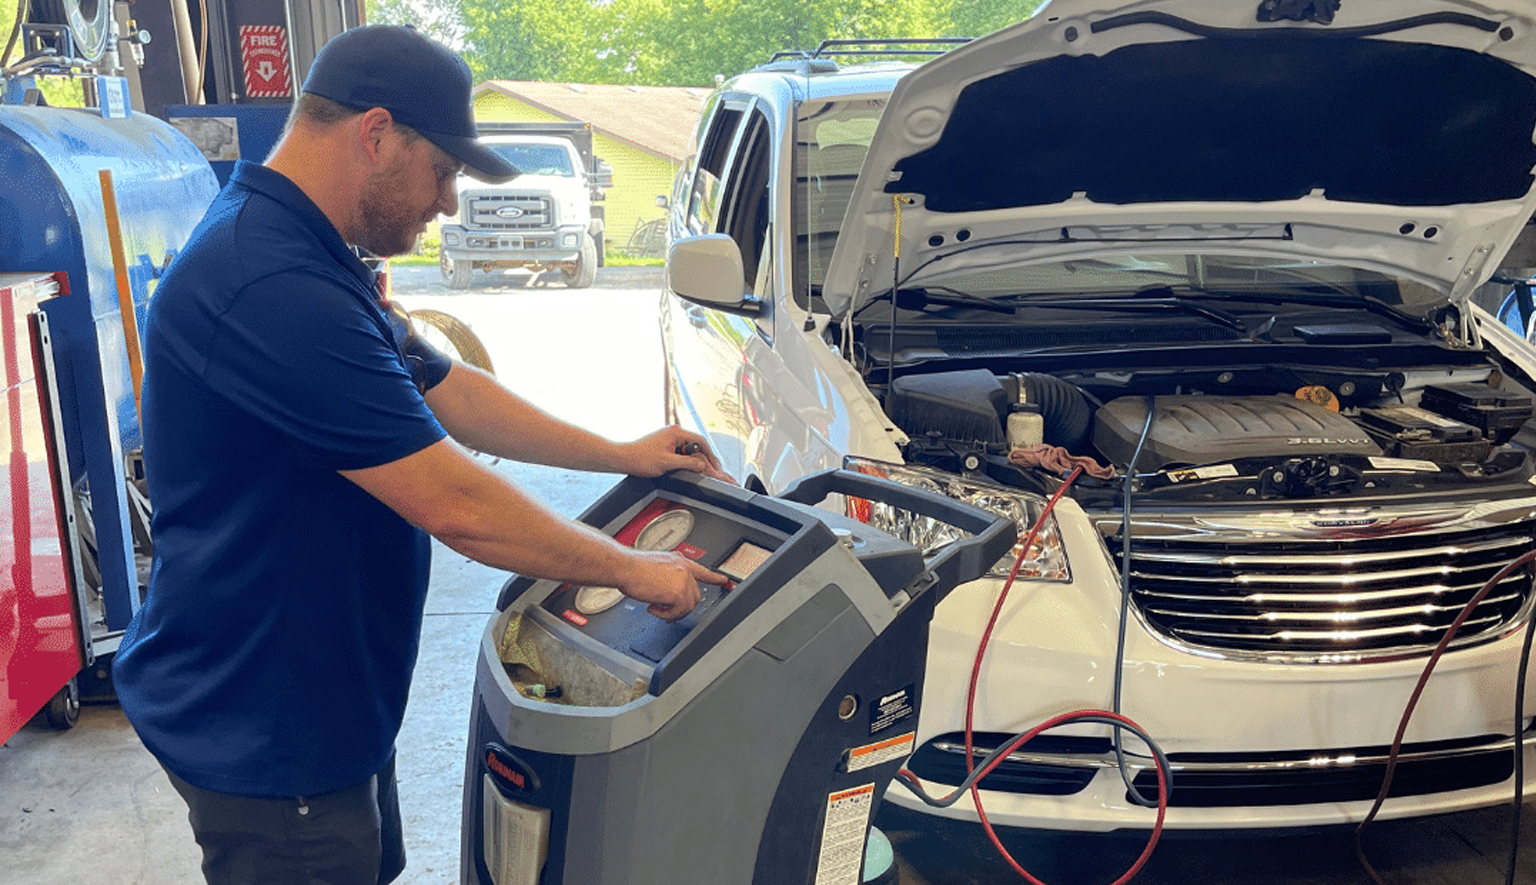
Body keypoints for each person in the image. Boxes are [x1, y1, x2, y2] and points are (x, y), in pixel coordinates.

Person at [112, 24, 729, 885]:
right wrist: (630, 569)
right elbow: (458, 506)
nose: (446, 203)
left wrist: (621, 451)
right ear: (375, 134)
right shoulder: (269, 285)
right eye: (442, 172)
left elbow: (452, 391)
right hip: (269, 725)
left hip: (328, 698)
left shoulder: (308, 254)